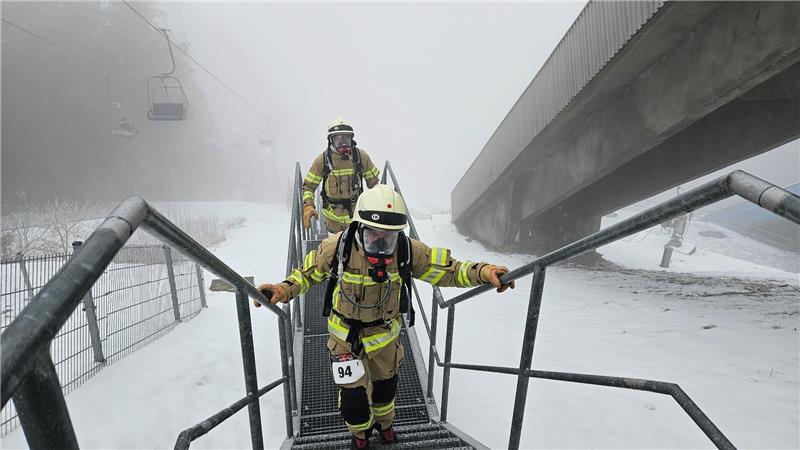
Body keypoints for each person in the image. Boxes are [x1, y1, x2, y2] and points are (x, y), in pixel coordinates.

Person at [255, 185, 515, 448]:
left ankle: (386, 425)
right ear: (358, 228)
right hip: (345, 337)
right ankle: (360, 435)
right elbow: (306, 273)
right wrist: (281, 290)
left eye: (388, 239)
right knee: (353, 401)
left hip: (385, 338)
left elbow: (450, 270)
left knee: (385, 392)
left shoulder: (407, 250)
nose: (381, 245)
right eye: (373, 237)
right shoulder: (335, 248)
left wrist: (483, 272)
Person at [302, 118, 381, 234]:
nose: (343, 144)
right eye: (339, 140)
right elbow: (308, 187)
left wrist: (380, 204)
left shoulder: (361, 158)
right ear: (331, 140)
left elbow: (375, 186)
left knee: (357, 250)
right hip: (332, 222)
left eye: (346, 139)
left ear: (351, 139)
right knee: (334, 250)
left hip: (357, 218)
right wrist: (308, 206)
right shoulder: (322, 161)